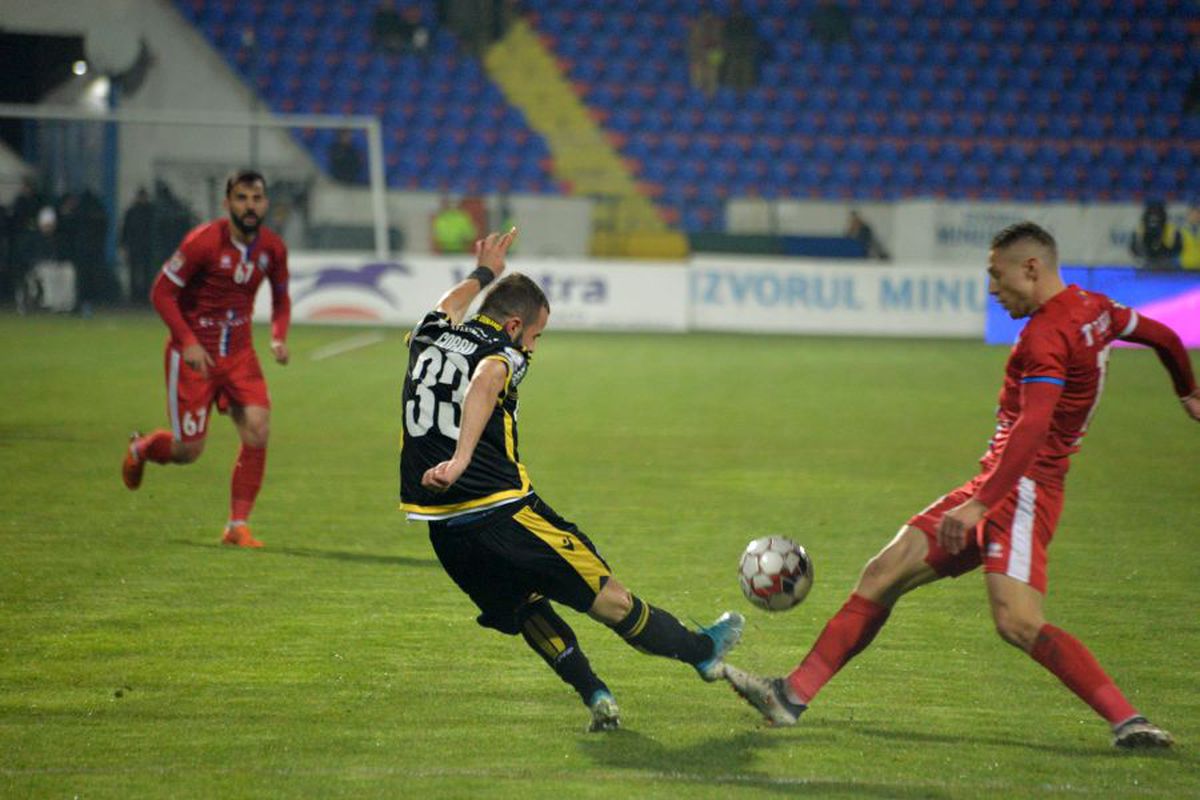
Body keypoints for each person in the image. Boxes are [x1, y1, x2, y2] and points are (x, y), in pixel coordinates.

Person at [724, 222, 1198, 749]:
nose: (993, 290)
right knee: (883, 572)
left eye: (998, 277)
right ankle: (791, 696)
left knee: (1017, 622)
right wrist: (1188, 392)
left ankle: (1129, 721)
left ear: (1032, 269)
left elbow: (1033, 427)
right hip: (998, 484)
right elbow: (1164, 336)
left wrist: (980, 505)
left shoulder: (1045, 336)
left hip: (1021, 494)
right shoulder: (1098, 310)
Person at [399, 228, 745, 731]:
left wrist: (484, 273)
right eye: (536, 336)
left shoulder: (431, 330)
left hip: (444, 530)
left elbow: (449, 303)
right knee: (611, 600)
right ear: (515, 325)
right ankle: (702, 652)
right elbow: (486, 380)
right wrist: (460, 459)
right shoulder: (503, 350)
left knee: (525, 608)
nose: (533, 348)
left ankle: (596, 694)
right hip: (502, 510)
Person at [121, 170, 292, 549]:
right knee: (188, 451)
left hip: (240, 355)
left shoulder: (273, 249)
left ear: (266, 203)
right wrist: (187, 341)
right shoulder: (202, 242)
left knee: (258, 429)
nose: (250, 206)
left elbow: (281, 298)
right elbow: (162, 293)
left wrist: (278, 336)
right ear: (227, 203)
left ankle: (237, 526)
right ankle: (142, 448)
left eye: (257, 198)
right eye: (242, 198)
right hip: (195, 357)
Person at [121, 188, 156, 304]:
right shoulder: (135, 212)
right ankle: (135, 296)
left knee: (145, 272)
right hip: (137, 247)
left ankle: (143, 296)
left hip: (143, 247)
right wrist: (124, 245)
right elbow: (125, 230)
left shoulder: (145, 212)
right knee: (135, 272)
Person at [1129, 199, 1182, 270]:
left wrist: (1163, 252)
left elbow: (1178, 248)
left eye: (1157, 211)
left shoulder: (1172, 229)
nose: (1154, 216)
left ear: (1163, 213)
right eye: (1151, 211)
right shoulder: (1140, 229)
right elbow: (1133, 248)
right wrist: (1145, 252)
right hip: (1146, 263)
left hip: (1166, 265)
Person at [1178, 202, 1200, 271]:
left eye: (1197, 214)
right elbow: (1177, 248)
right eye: (1192, 214)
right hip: (1186, 265)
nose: (1195, 216)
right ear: (1188, 216)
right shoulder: (1180, 231)